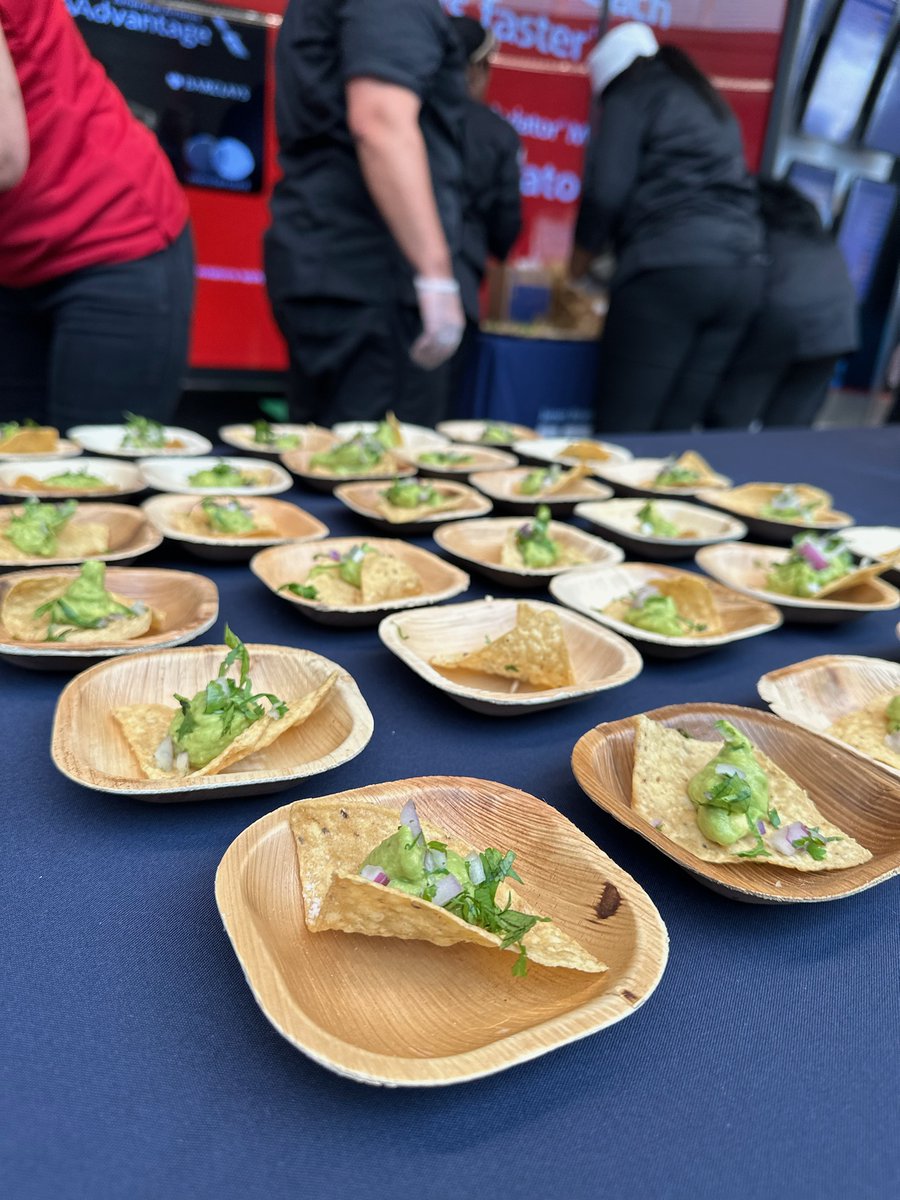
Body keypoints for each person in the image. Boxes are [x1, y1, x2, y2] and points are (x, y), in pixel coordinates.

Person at [265, 0, 467, 428]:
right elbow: (379, 122)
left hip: (325, 260)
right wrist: (436, 275)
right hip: (375, 277)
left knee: (322, 454)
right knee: (378, 475)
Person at [0, 0, 194, 428]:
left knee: (99, 473)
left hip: (110, 234)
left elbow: (3, 155)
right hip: (14, 256)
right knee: (15, 472)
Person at [571, 22, 766, 433]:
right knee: (674, 432)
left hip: (670, 270)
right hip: (744, 272)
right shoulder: (705, 99)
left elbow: (605, 192)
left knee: (623, 431)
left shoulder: (632, 93)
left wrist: (579, 265)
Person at [708, 179, 859, 428]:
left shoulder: (757, 226)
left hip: (784, 318)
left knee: (732, 416)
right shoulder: (815, 233)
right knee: (790, 426)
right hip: (838, 326)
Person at [447, 16, 522, 408]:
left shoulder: (408, 115)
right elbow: (505, 227)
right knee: (436, 421)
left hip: (384, 286)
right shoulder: (496, 133)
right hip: (455, 291)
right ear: (475, 69)